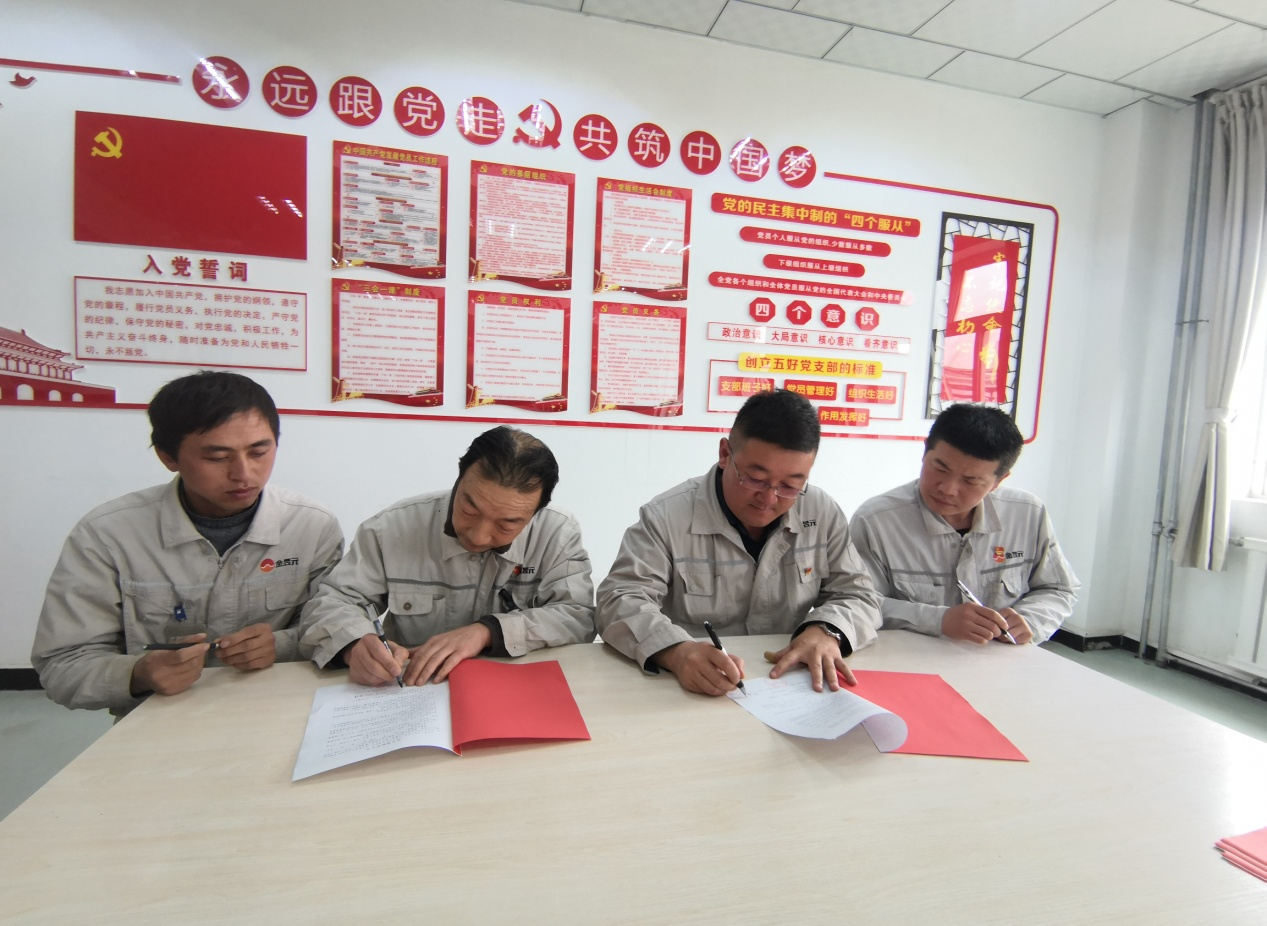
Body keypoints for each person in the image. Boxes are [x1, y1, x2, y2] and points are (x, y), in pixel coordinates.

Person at [31, 371, 344, 715]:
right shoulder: (108, 534)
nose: (244, 474)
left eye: (259, 452)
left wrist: (280, 645)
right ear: (168, 457)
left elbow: (330, 625)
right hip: (159, 720)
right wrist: (137, 674)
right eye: (217, 457)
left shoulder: (311, 525)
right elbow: (62, 665)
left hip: (277, 711)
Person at [595, 388, 882, 697]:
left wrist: (827, 630)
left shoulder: (820, 512)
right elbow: (619, 599)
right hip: (689, 687)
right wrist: (676, 651)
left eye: (790, 485)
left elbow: (860, 595)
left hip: (787, 684)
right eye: (755, 479)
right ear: (725, 454)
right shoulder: (666, 516)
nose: (769, 499)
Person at [299, 426, 595, 686]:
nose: (478, 536)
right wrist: (354, 644)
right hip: (410, 687)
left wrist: (488, 632)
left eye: (506, 524)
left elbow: (577, 616)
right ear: (459, 479)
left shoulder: (557, 533)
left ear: (535, 514)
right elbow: (332, 602)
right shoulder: (391, 528)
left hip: (516, 687)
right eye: (469, 510)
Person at [851, 403, 1078, 646]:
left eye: (971, 481)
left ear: (999, 481)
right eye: (940, 468)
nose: (948, 489)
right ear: (925, 452)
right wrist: (938, 620)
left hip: (1000, 659)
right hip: (910, 658)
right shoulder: (877, 520)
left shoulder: (1027, 514)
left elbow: (1058, 589)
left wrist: (1030, 620)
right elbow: (856, 602)